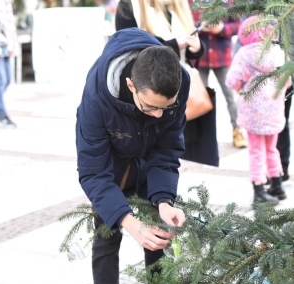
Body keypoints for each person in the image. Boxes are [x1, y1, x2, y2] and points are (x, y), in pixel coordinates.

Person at [76, 27, 190, 284]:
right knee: (106, 240)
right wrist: (127, 220)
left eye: (167, 107)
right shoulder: (96, 98)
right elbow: (93, 172)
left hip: (149, 165)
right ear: (130, 85)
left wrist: (163, 199)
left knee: (158, 241)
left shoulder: (178, 81)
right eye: (151, 107)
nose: (159, 114)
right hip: (112, 169)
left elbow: (166, 149)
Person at [115, 0, 219, 167]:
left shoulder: (177, 5)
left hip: (178, 92)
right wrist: (174, 45)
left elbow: (187, 56)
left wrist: (197, 48)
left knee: (174, 155)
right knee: (149, 156)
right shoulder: (130, 5)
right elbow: (128, 50)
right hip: (147, 95)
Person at [225, 16, 291, 205]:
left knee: (256, 151)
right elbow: (287, 82)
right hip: (274, 109)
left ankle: (259, 190)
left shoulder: (245, 54)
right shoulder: (278, 51)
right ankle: (277, 185)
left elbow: (232, 81)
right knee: (272, 148)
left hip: (253, 112)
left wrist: (244, 83)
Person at [190, 1, 247, 149]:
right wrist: (200, 26)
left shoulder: (229, 2)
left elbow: (238, 26)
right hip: (199, 56)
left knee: (231, 97)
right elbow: (184, 24)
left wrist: (222, 28)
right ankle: (202, 137)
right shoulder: (192, 2)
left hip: (222, 57)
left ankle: (237, 130)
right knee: (199, 99)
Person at [0, 0, 17, 128]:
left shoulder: (7, 2)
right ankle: (1, 113)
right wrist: (3, 40)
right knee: (1, 80)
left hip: (7, 48)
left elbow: (9, 25)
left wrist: (13, 43)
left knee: (7, 79)